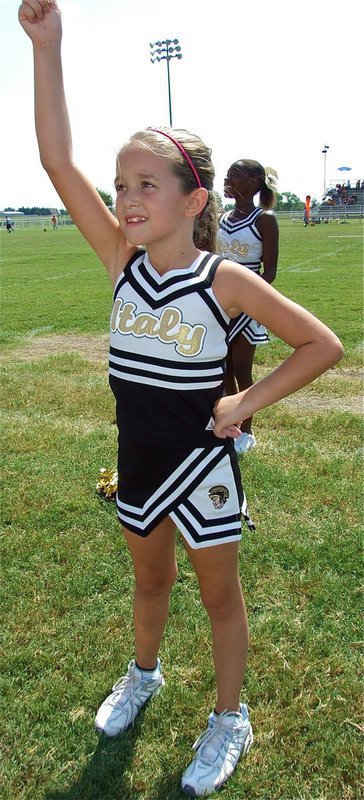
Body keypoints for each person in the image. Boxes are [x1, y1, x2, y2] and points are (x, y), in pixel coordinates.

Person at [18, 2, 343, 797]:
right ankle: (145, 674)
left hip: (205, 468)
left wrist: (240, 405)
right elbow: (59, 161)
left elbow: (321, 345)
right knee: (150, 582)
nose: (126, 198)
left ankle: (230, 717)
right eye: (122, 185)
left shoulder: (222, 278)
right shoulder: (121, 263)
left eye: (146, 185)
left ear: (194, 201)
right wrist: (48, 46)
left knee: (219, 595)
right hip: (140, 459)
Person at [216, 160, 279, 453]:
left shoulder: (264, 218)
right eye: (227, 175)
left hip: (248, 305)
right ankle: (228, 422)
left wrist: (248, 303)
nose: (228, 179)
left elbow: (269, 272)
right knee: (221, 367)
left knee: (241, 368)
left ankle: (247, 433)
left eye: (235, 175)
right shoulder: (222, 217)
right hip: (219, 301)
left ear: (254, 181)